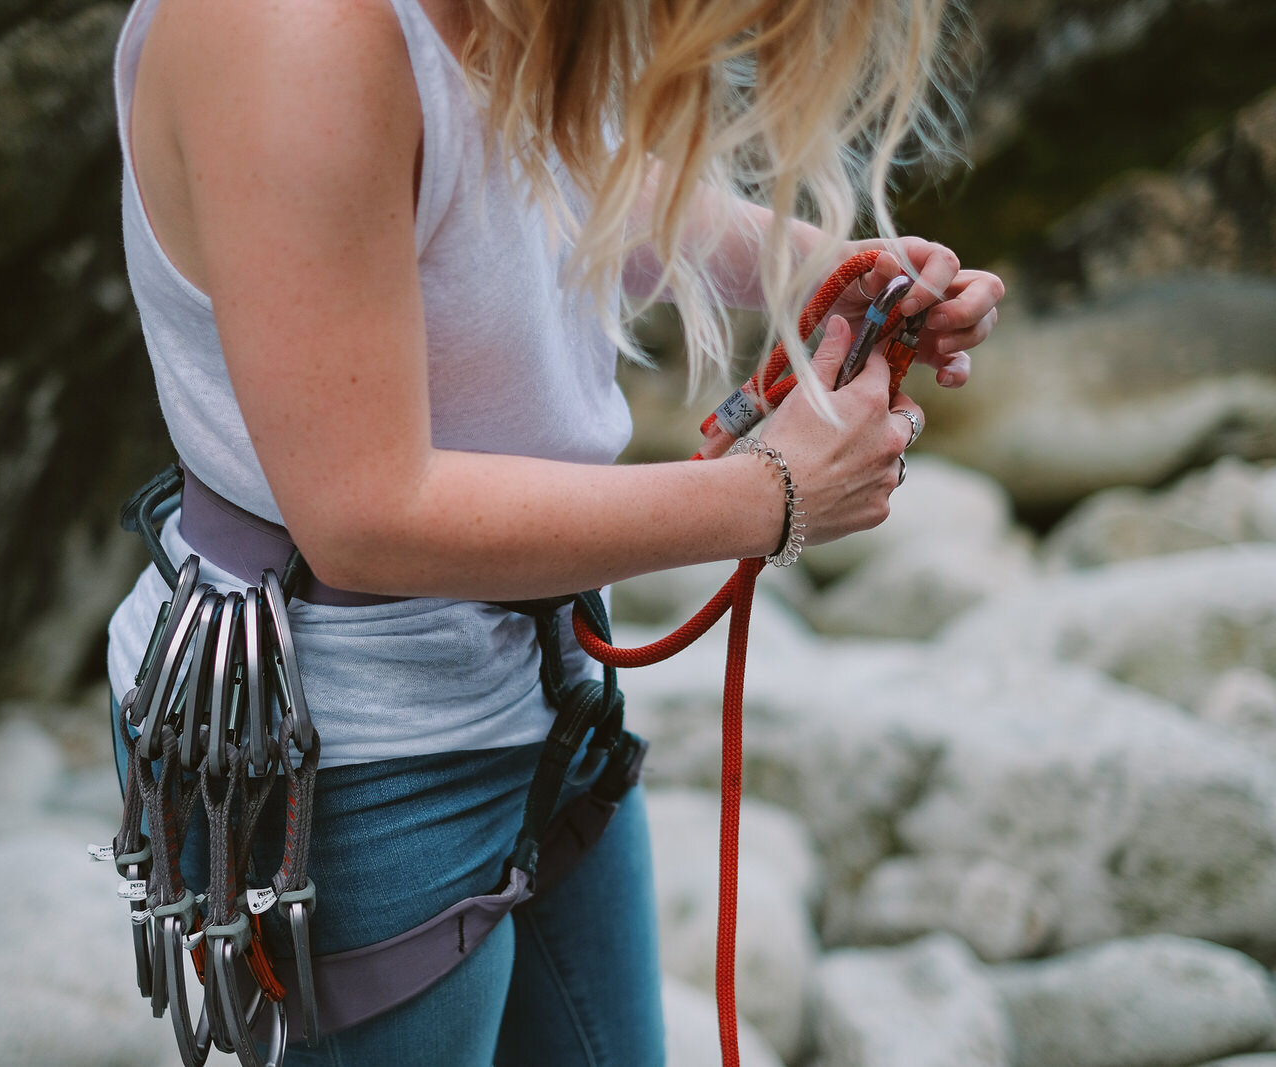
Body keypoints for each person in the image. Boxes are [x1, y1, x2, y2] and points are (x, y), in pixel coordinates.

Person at [106, 0, 1004, 1063]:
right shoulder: (296, 33)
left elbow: (566, 181)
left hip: (545, 680)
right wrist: (771, 493)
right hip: (342, 761)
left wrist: (818, 267)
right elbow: (362, 515)